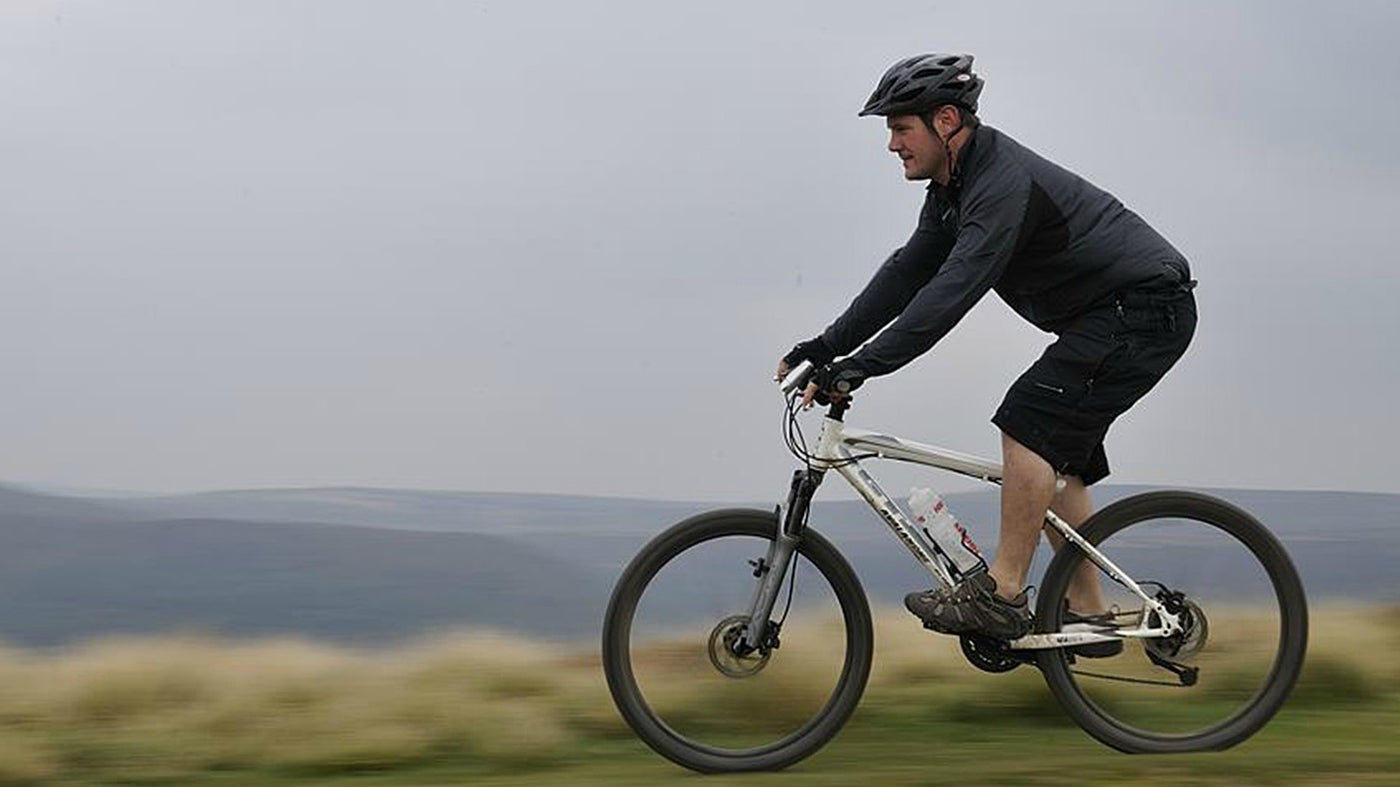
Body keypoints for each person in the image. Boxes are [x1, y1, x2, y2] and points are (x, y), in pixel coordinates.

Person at [775, 53, 1197, 653]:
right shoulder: (954, 187)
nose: (892, 144)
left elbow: (953, 291)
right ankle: (1090, 617)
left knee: (1028, 420)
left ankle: (1002, 595)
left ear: (946, 121)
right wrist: (826, 346)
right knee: (1059, 463)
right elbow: (907, 274)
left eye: (901, 128)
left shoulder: (1000, 185)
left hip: (1145, 309)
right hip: (1110, 316)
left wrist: (861, 366)